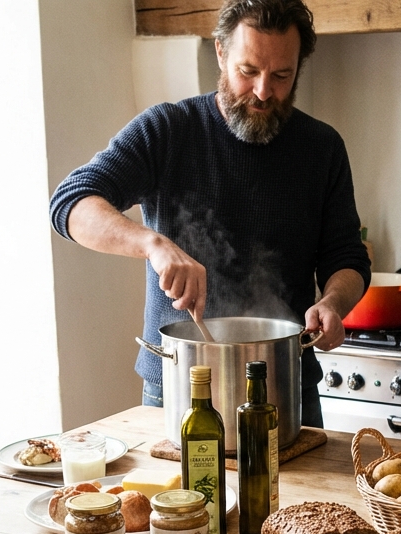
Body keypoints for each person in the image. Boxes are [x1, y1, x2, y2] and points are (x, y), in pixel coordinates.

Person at [48, 0, 370, 428]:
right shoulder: (168, 130)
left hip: (284, 386)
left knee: (297, 499)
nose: (262, 91)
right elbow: (70, 202)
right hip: (179, 386)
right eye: (248, 71)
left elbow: (347, 258)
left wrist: (333, 302)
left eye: (281, 76)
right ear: (220, 52)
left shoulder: (322, 148)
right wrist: (152, 243)